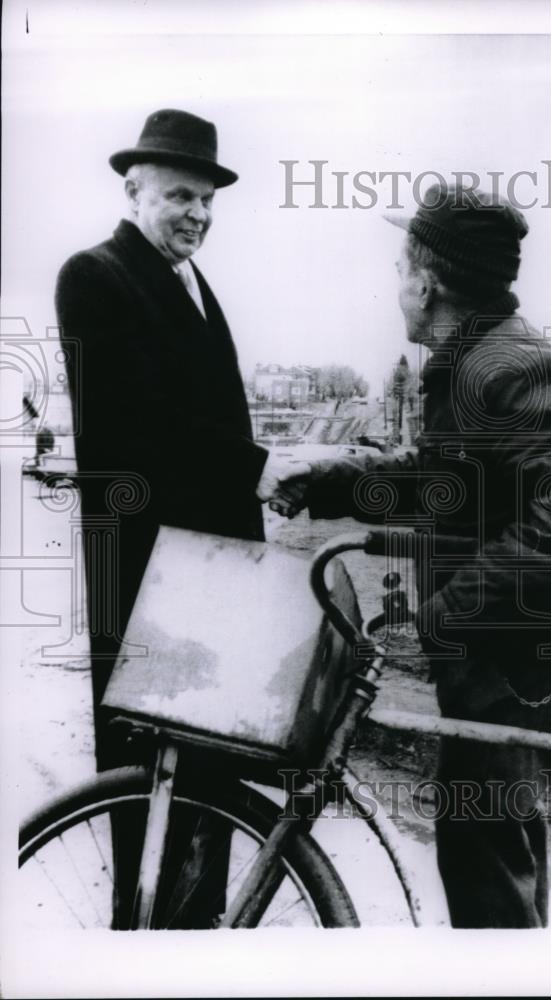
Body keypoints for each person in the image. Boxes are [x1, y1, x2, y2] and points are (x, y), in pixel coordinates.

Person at [272, 182, 551, 928]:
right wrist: (333, 480)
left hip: (513, 669)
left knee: (483, 870)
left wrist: (447, 612)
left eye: (398, 269)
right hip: (507, 660)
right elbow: (448, 485)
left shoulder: (503, 367)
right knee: (493, 855)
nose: (395, 286)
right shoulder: (477, 362)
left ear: (425, 281)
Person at [55, 108, 293, 927]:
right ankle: (144, 944)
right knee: (145, 781)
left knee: (208, 776)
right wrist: (261, 471)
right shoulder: (95, 275)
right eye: (181, 196)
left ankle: (193, 940)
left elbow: (209, 421)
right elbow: (132, 431)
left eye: (208, 200)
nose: (198, 214)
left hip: (213, 574)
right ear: (133, 189)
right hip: (151, 576)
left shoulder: (191, 283)